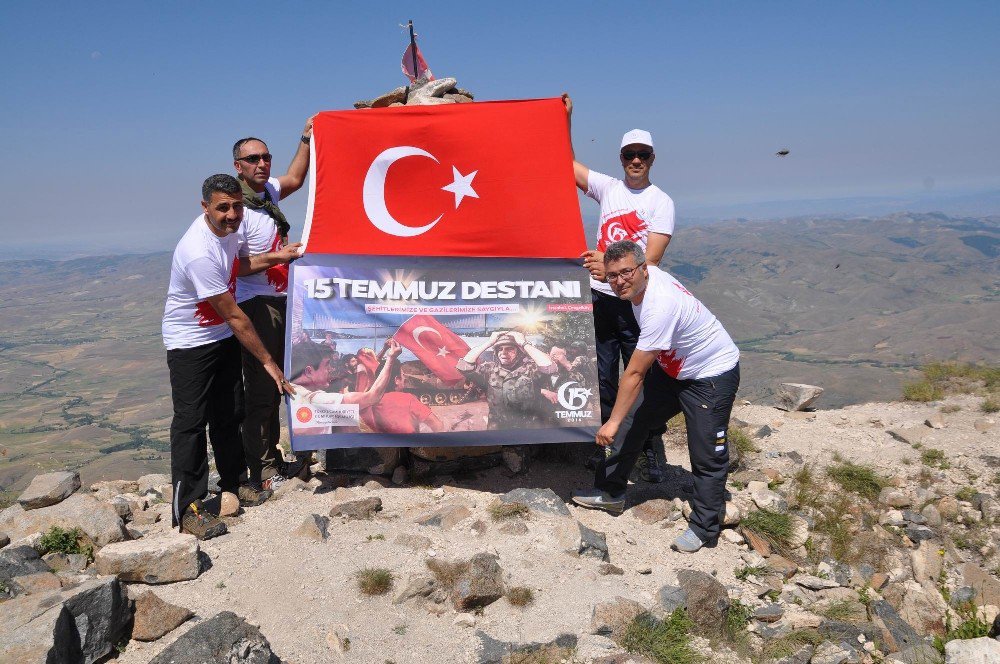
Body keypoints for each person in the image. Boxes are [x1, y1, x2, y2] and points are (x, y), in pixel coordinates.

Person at [571, 241, 741, 553]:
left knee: (706, 453)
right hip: (672, 370)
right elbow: (615, 270)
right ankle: (611, 493)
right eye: (613, 275)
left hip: (710, 376)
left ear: (643, 269)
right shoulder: (636, 282)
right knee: (634, 422)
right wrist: (600, 262)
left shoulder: (659, 306)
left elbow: (634, 374)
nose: (620, 281)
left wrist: (611, 422)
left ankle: (705, 527)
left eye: (626, 273)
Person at [162, 174, 299, 540]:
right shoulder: (197, 251)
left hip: (219, 336)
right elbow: (236, 316)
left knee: (230, 412)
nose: (232, 214)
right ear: (204, 206)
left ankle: (236, 483)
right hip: (190, 343)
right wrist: (270, 364)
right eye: (223, 207)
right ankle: (188, 507)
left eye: (237, 205)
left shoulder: (232, 231)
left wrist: (277, 257)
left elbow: (240, 265)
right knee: (191, 423)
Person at [563, 93, 675, 483]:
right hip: (602, 303)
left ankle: (650, 447)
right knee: (605, 379)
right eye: (629, 154)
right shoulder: (610, 189)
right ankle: (609, 448)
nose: (636, 161)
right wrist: (565, 120)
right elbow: (564, 165)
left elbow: (652, 263)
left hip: (638, 305)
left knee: (643, 378)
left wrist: (607, 269)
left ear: (652, 158)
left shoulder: (661, 202)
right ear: (621, 157)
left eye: (642, 154)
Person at [233, 118, 314, 490]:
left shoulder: (268, 194)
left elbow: (296, 178)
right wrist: (278, 257)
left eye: (266, 157)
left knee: (287, 380)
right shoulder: (237, 210)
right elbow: (236, 266)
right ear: (239, 166)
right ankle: (263, 469)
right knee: (264, 388)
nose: (262, 164)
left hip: (283, 298)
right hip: (256, 303)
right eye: (253, 159)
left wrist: (306, 138)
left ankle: (281, 460)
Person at [288, 340, 402, 436]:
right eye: (327, 365)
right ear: (309, 371)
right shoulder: (318, 400)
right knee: (348, 417)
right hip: (326, 454)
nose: (330, 369)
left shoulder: (291, 390)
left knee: (347, 416)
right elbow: (373, 396)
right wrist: (391, 358)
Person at [457, 331, 558, 429]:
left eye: (510, 349)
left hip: (528, 427)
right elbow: (464, 366)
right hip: (498, 428)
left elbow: (549, 366)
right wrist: (489, 342)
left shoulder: (530, 369)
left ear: (519, 352)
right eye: (500, 349)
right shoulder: (489, 370)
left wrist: (523, 343)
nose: (503, 353)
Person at [360, 365, 445, 434]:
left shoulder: (371, 402)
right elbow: (437, 425)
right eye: (403, 375)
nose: (405, 379)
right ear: (397, 380)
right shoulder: (408, 399)